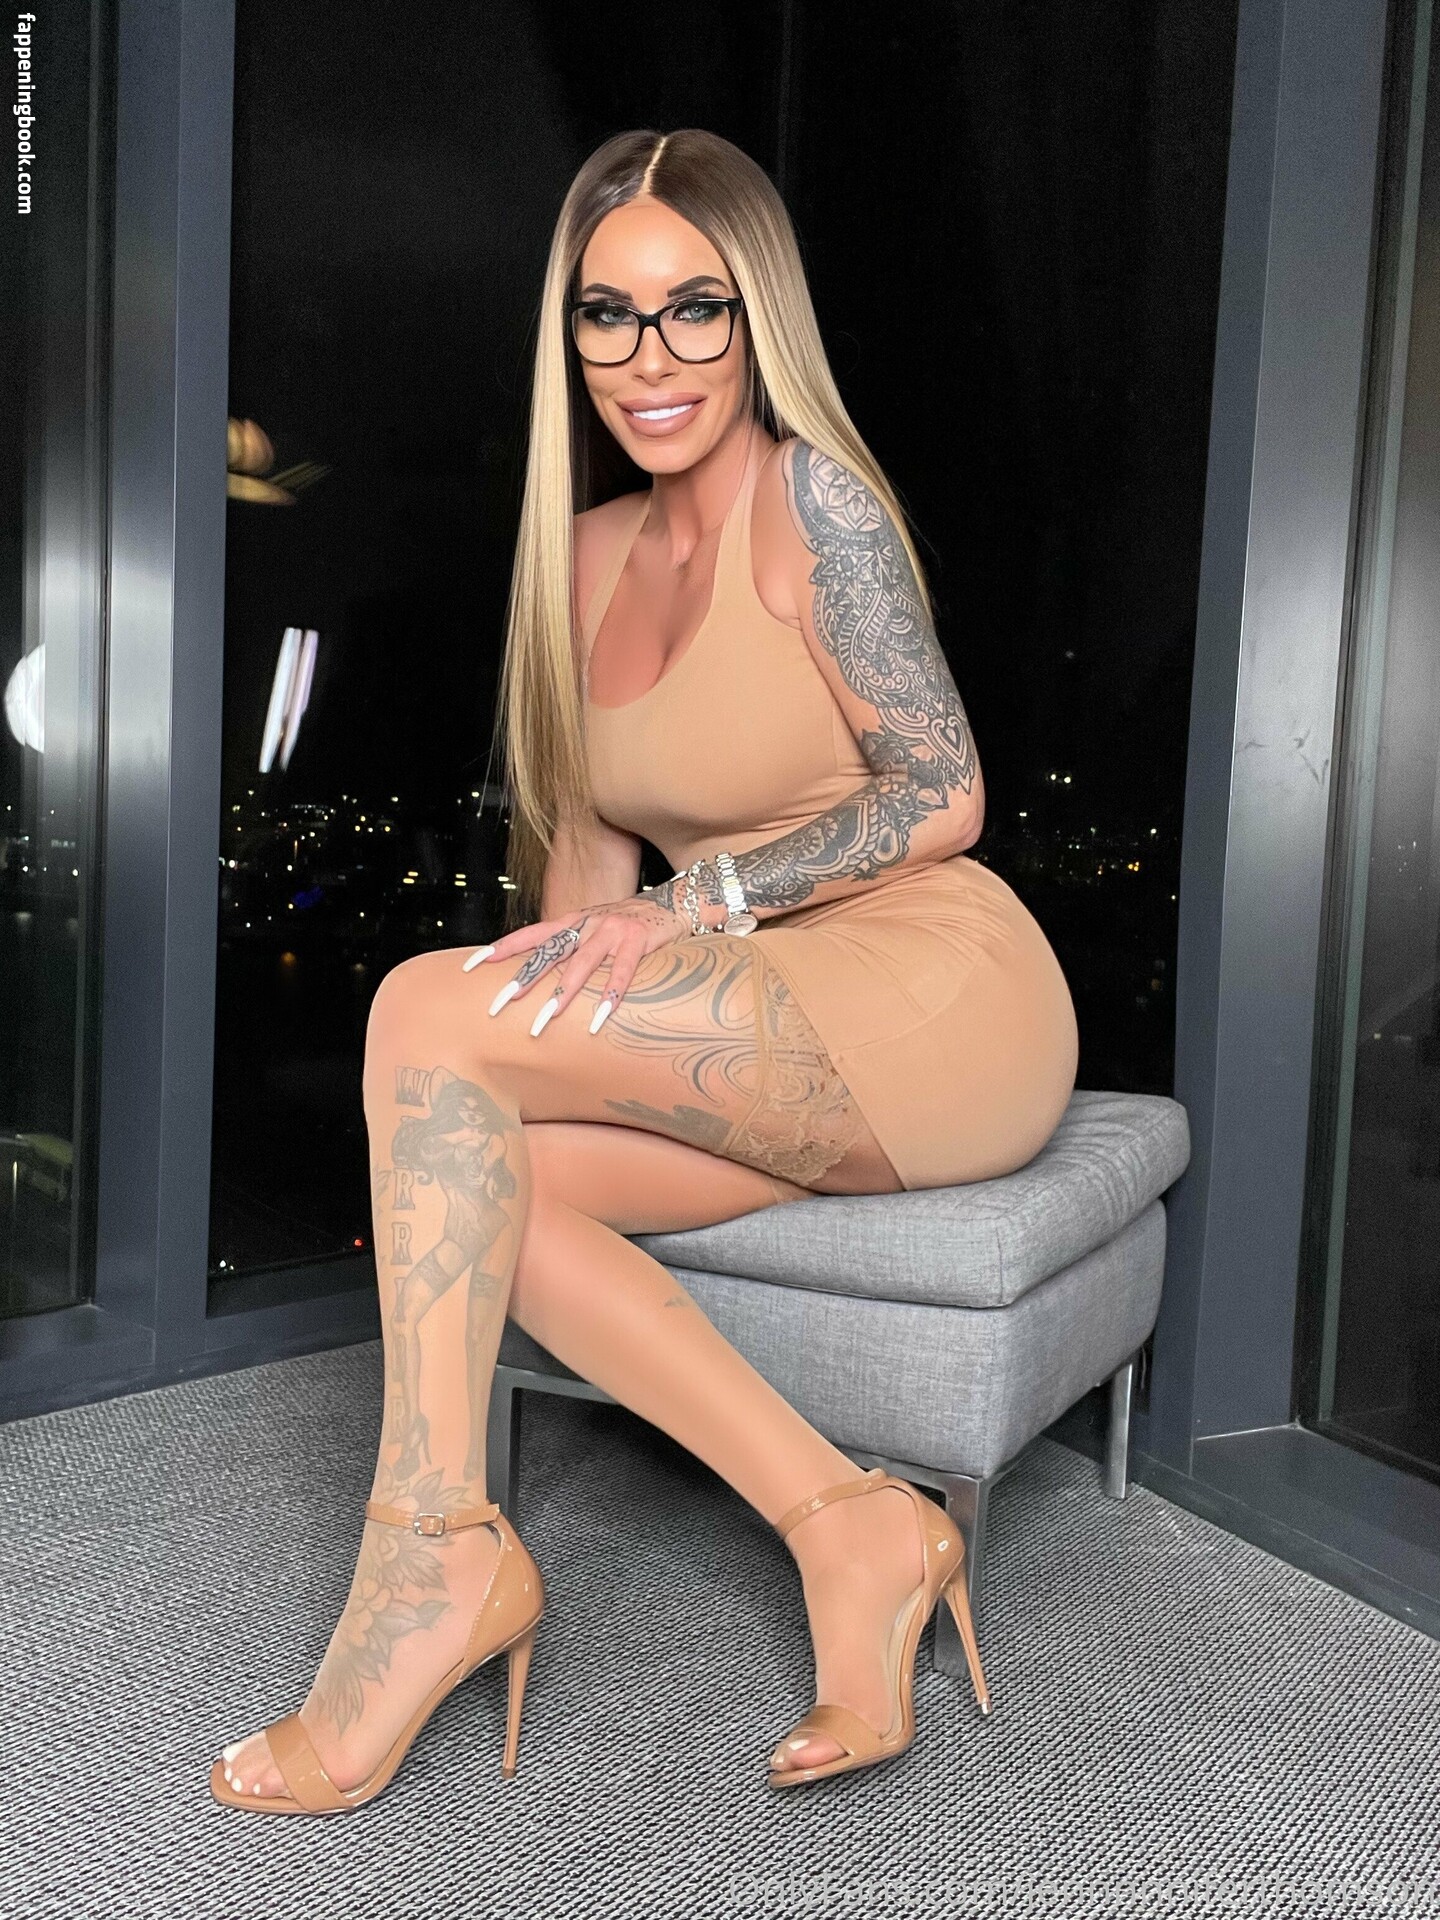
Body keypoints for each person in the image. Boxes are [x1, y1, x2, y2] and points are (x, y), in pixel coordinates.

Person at [209, 125, 1078, 1815]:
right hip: (756, 1012)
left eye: (697, 309)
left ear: (758, 322)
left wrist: (703, 901)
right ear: (573, 333)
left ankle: (429, 1563)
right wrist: (499, 1036)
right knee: (485, 1169)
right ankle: (853, 1523)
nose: (652, 357)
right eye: (609, 313)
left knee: (415, 1007)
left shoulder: (813, 501)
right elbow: (584, 884)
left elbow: (945, 792)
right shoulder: (586, 555)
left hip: (934, 994)